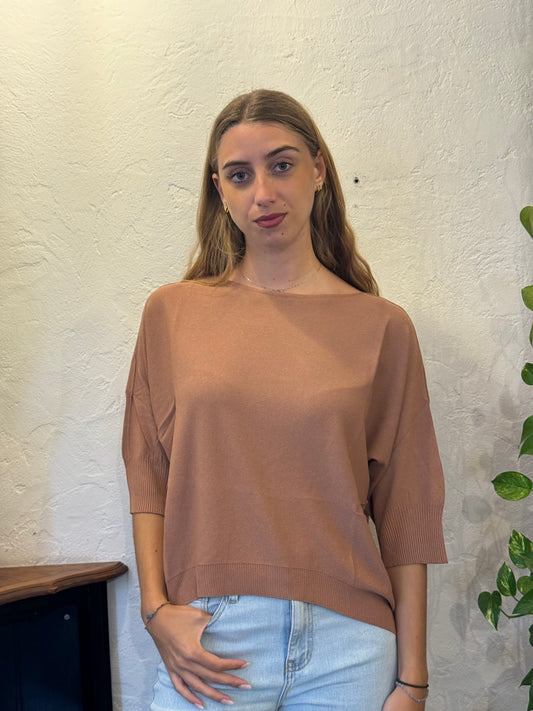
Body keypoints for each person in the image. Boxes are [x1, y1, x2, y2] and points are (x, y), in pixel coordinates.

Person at [122, 89, 447, 711]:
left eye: (281, 165)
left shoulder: (383, 327)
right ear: (219, 190)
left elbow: (406, 510)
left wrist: (413, 682)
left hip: (349, 647)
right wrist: (155, 609)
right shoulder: (172, 313)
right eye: (239, 175)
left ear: (318, 169)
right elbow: (148, 473)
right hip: (213, 639)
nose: (263, 193)